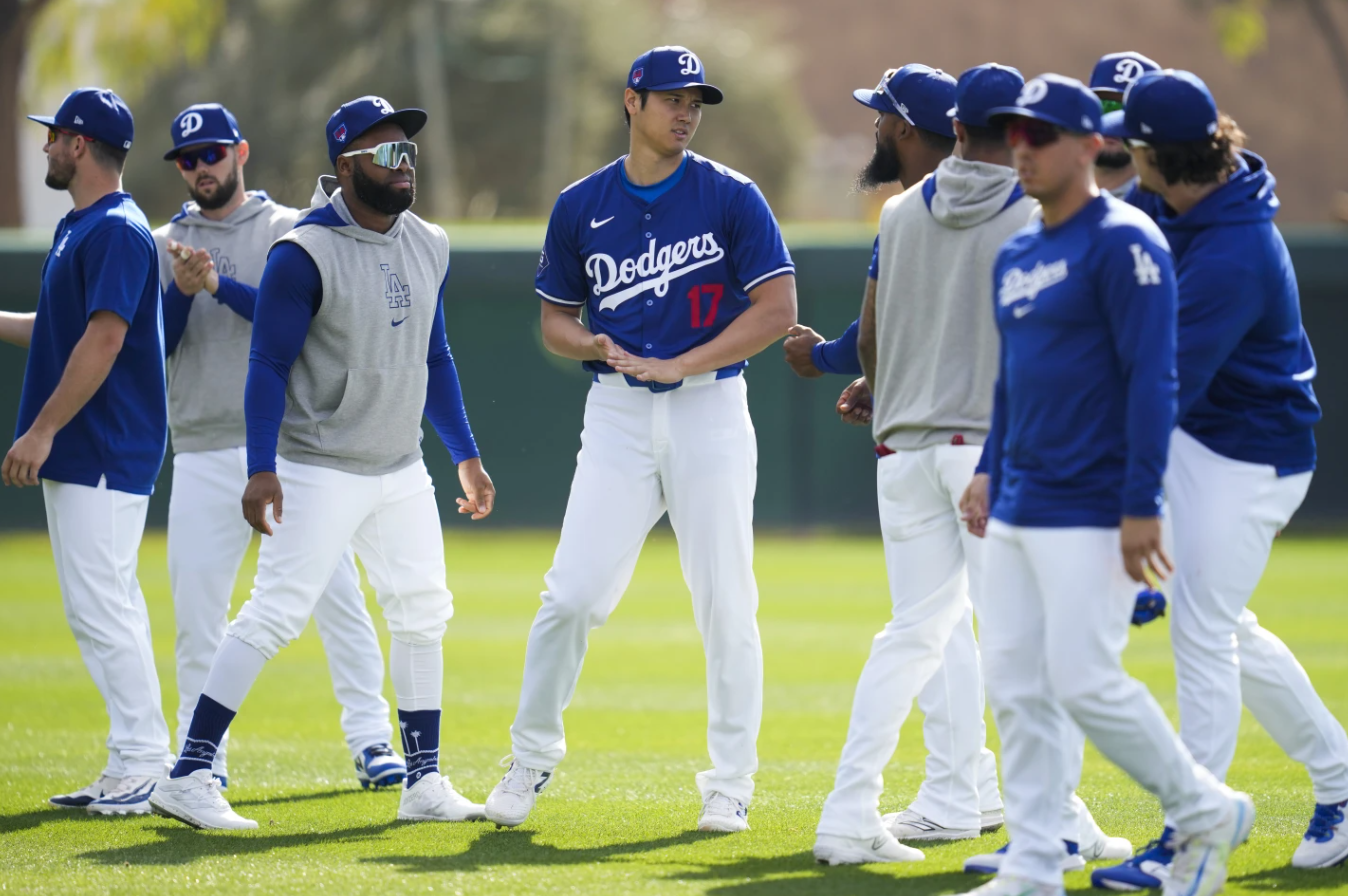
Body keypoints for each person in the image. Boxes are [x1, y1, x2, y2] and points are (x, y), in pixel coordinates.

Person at [149, 95, 495, 829]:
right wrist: (263, 467)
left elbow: (435, 354)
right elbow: (268, 364)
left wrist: (464, 453)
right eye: (387, 153)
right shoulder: (301, 251)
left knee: (423, 612)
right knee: (273, 614)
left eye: (410, 151)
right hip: (320, 464)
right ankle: (187, 775)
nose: (405, 166)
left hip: (400, 466)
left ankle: (423, 781)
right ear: (346, 166)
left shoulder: (428, 240)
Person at [483, 45, 796, 833]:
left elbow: (777, 309)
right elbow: (555, 319)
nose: (686, 112)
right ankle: (529, 758)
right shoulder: (581, 202)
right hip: (618, 414)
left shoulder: (731, 195)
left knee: (727, 601)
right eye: (671, 99)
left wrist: (686, 361)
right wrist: (588, 343)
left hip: (709, 407)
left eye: (696, 100)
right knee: (572, 595)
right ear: (632, 102)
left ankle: (731, 781)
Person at [953, 74, 1252, 896]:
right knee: (1014, 683)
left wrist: (1141, 502)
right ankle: (1037, 864)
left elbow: (1154, 380)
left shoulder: (1126, 242)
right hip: (1019, 500)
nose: (1022, 148)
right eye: (1014, 134)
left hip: (1091, 504)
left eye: (1040, 135)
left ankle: (1203, 807)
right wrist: (988, 468)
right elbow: (1015, 379)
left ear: (1091, 146)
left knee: (1086, 679)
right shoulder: (1018, 249)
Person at [1090, 70, 1348, 888]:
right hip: (1210, 437)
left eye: (1131, 144)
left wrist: (1133, 498)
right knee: (1225, 625)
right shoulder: (1180, 202)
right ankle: (1343, 781)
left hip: (1253, 458)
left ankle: (1193, 836)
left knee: (1203, 628)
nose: (1120, 152)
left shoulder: (1234, 250)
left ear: (1162, 157)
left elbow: (1160, 386)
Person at [811, 63, 1032, 867]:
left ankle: (873, 808)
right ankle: (1039, 813)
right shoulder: (1037, 214)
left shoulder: (900, 211)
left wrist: (883, 383)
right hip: (986, 449)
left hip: (904, 451)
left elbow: (870, 334)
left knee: (915, 634)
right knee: (1014, 633)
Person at [153, 102, 406, 791]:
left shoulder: (291, 228)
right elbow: (156, 347)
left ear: (240, 150)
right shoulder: (163, 239)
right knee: (200, 610)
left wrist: (217, 285)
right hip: (205, 443)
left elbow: (288, 326)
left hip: (293, 446)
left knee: (338, 599)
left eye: (211, 153)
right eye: (187, 159)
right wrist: (181, 294)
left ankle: (371, 741)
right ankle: (202, 764)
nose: (200, 167)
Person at [0, 88, 171, 816]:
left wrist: (41, 429)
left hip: (103, 444)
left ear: (82, 144)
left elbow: (104, 341)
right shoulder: (85, 225)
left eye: (55, 136)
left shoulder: (119, 230)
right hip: (88, 448)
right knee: (101, 606)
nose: (45, 146)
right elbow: (62, 329)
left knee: (104, 607)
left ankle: (143, 764)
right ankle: (129, 758)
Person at [1087, 52, 1160, 200]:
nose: (1112, 123)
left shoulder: (1159, 209)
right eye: (1105, 107)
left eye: (1126, 112)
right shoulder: (1053, 197)